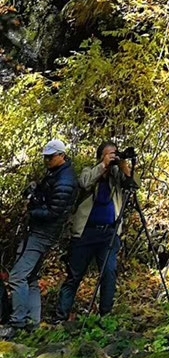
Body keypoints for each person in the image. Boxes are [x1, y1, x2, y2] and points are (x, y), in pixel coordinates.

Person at [6, 140, 78, 333]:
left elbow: (54, 212)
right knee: (31, 277)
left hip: (42, 233)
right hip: (42, 232)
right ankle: (33, 323)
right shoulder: (57, 175)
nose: (47, 160)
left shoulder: (65, 180)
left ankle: (17, 323)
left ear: (61, 156)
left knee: (17, 276)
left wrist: (32, 210)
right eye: (46, 156)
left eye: (50, 156)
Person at [57, 141, 133, 320]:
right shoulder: (88, 171)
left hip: (109, 234)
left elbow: (133, 185)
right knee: (74, 275)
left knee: (109, 273)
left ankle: (105, 315)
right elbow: (84, 183)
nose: (113, 157)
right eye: (110, 154)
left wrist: (123, 166)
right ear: (101, 156)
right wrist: (103, 166)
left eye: (115, 154)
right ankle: (61, 316)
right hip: (85, 233)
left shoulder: (117, 176)